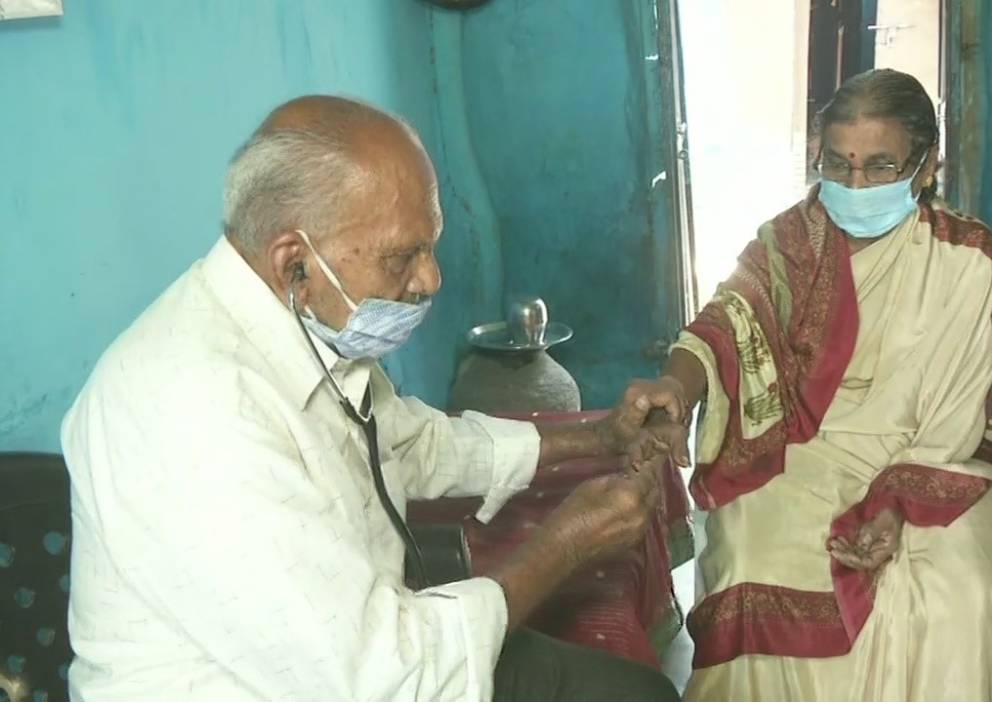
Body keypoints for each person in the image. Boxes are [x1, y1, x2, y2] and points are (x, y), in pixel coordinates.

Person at [61, 95, 682, 701]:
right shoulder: (197, 415)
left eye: (431, 244)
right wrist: (567, 541)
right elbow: (384, 681)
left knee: (630, 692)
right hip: (323, 683)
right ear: (294, 263)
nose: (431, 278)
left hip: (367, 655)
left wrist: (598, 438)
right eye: (402, 255)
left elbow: (413, 445)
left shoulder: (296, 329)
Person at [631, 68, 992, 700]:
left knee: (955, 588)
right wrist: (677, 386)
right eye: (838, 164)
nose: (854, 185)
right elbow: (725, 321)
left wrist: (896, 503)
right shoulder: (789, 243)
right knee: (750, 558)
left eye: (880, 167)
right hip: (798, 456)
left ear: (927, 165)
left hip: (932, 461)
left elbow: (959, 421)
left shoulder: (971, 264)